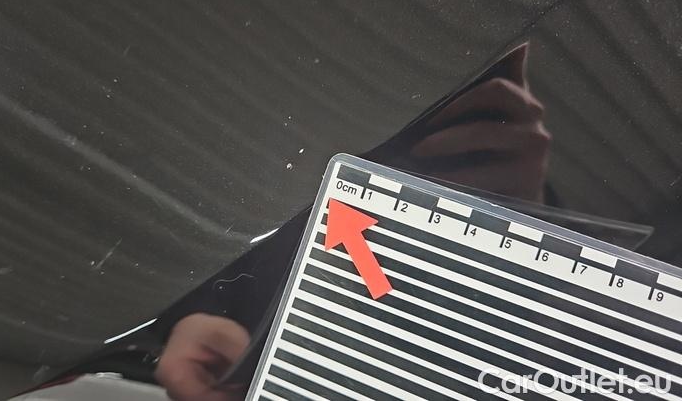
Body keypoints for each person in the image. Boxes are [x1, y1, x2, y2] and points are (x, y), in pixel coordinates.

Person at [154, 43, 551, 400]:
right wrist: (201, 314)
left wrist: (525, 226)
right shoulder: (302, 86)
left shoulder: (521, 195)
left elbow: (535, 362)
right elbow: (238, 191)